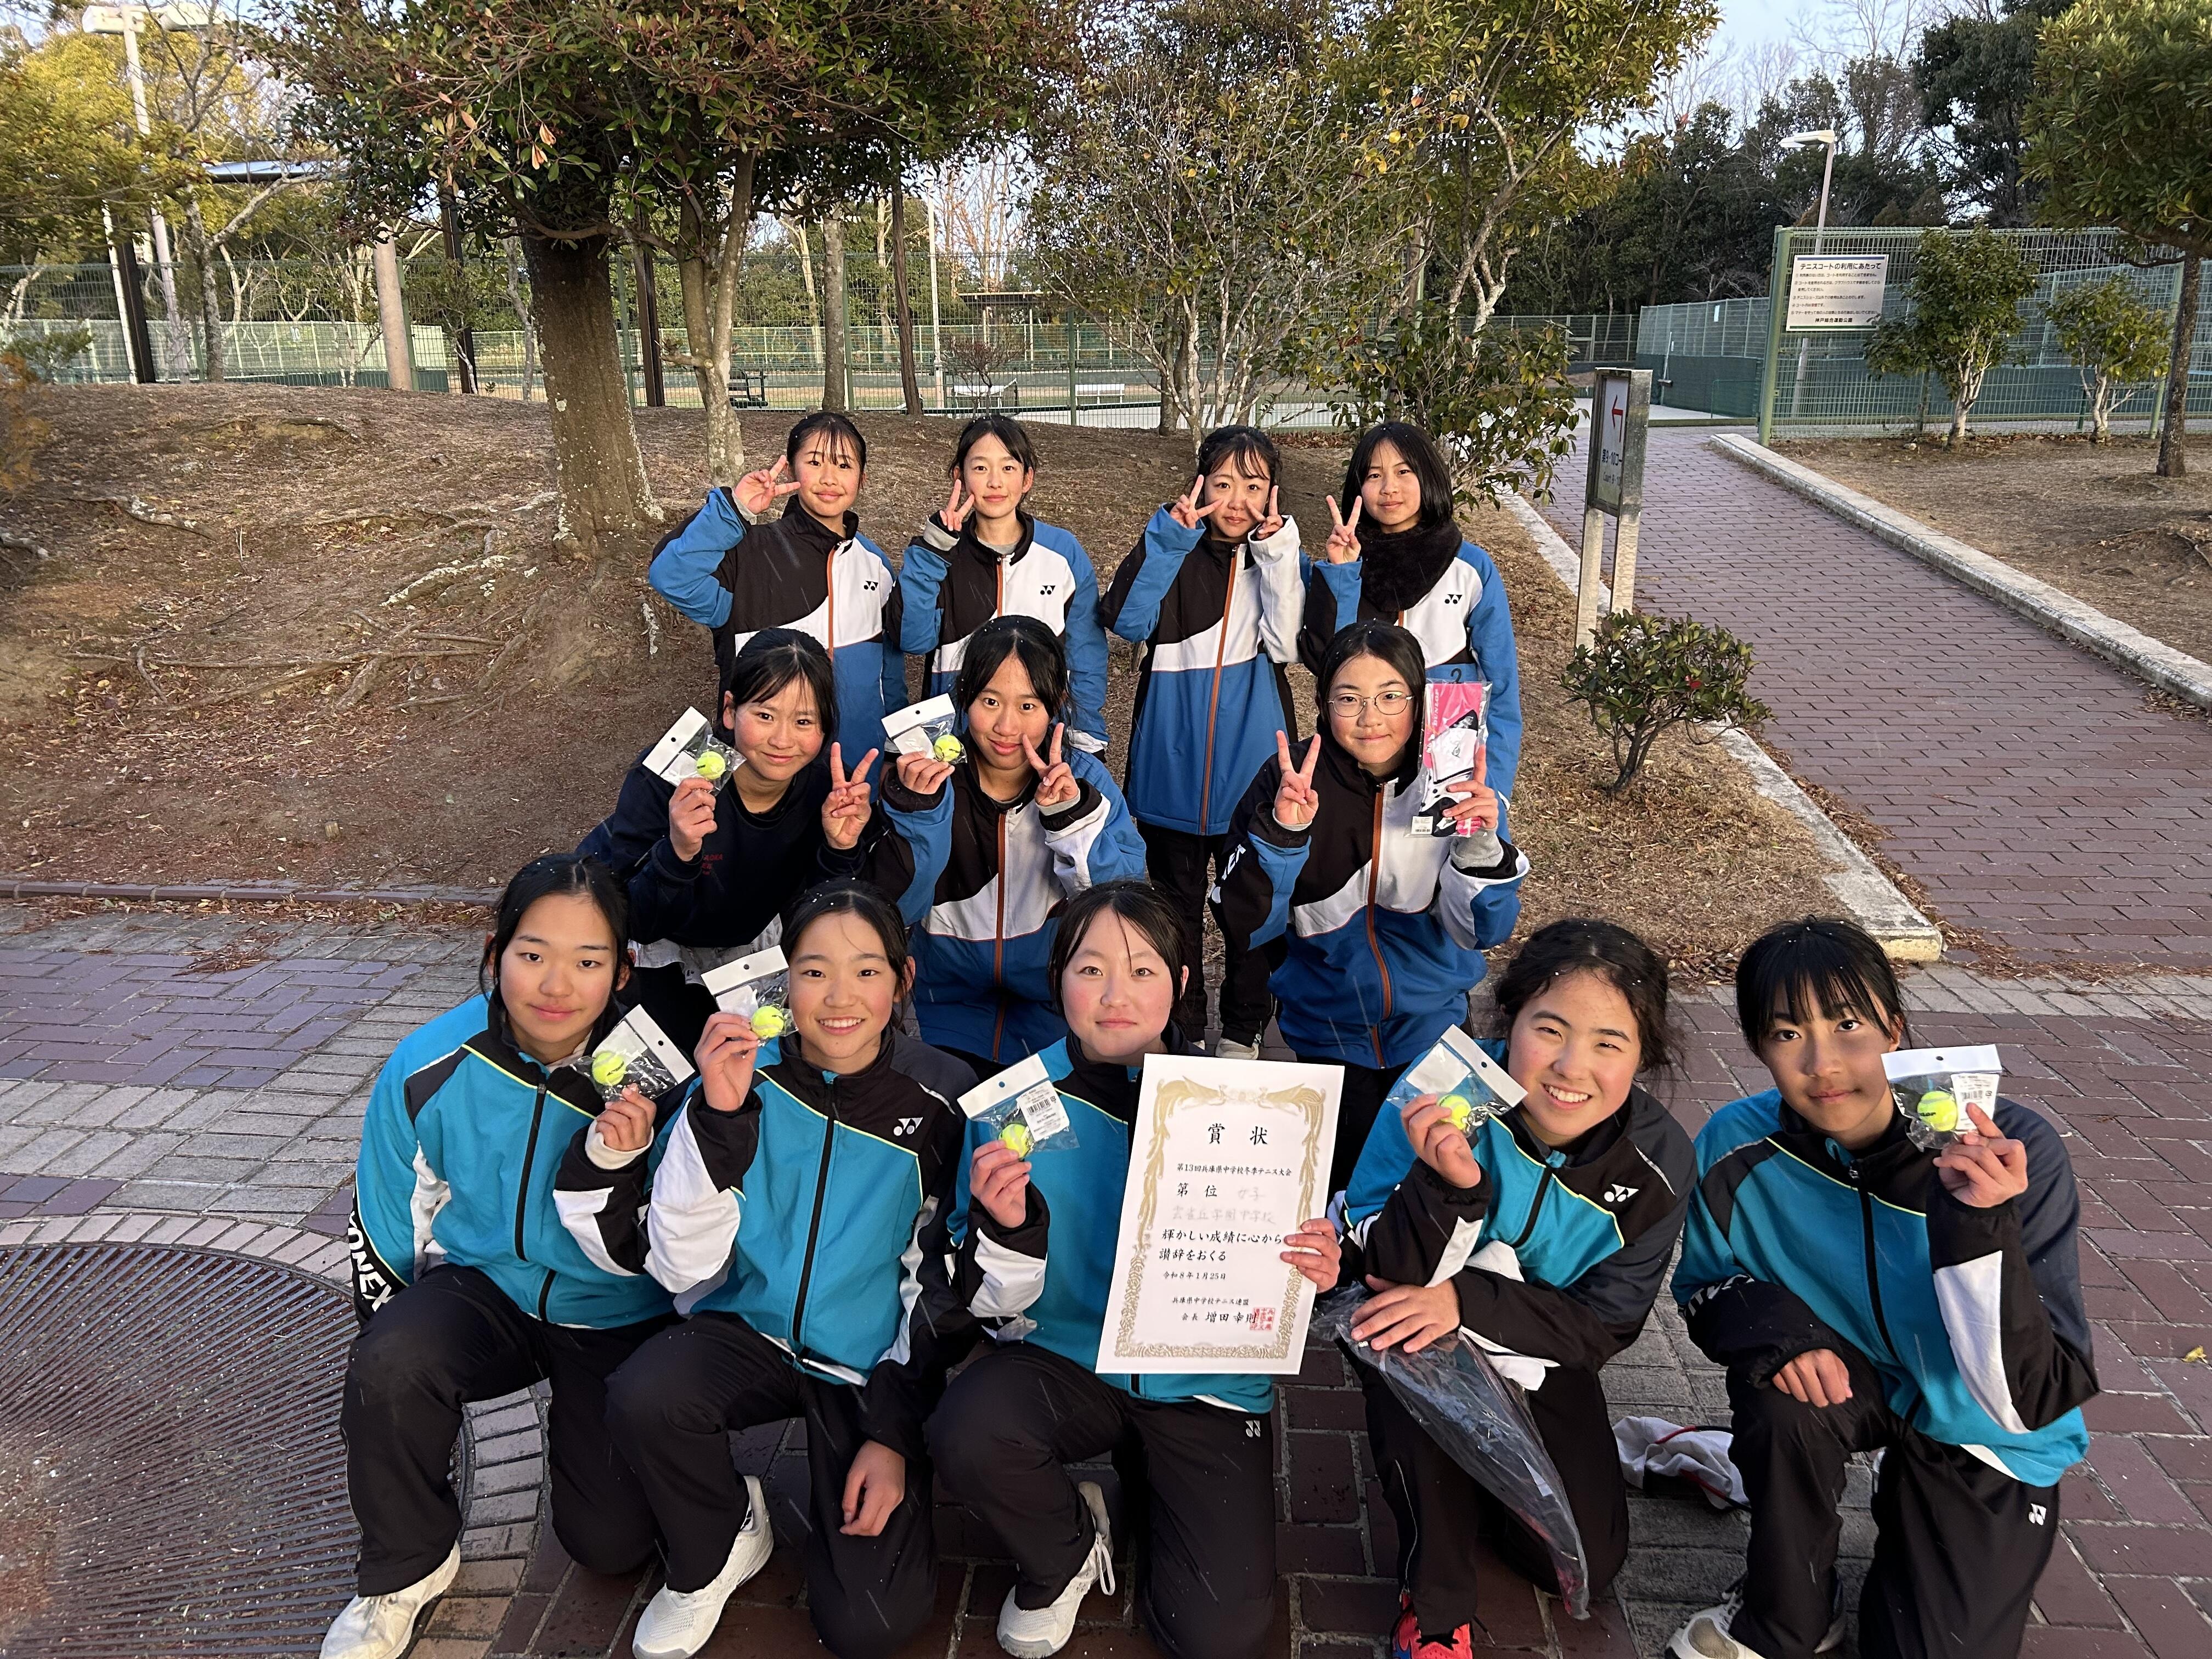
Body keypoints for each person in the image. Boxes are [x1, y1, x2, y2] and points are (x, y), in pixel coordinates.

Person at [557, 882, 975, 1659]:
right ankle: (724, 1537)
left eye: (867, 971)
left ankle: (873, 1485)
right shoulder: (739, 1073)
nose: (839, 997)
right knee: (648, 1395)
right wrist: (719, 1114)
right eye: (814, 972)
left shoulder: (947, 1100)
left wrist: (892, 1433)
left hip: (866, 1365)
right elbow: (679, 1261)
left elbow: (944, 1288)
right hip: (743, 1329)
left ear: (902, 980)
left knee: (870, 1625)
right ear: (784, 981)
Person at [927, 880, 1341, 1659]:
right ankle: (1065, 1550)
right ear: (1058, 979)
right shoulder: (1010, 1110)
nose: (1116, 995)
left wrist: (1312, 1271)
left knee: (1216, 1635)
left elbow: (1283, 1258)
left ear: (1180, 983)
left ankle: (1148, 1483)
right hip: (1067, 1361)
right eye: (1090, 970)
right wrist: (1008, 1230)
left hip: (1203, 1382)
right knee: (971, 1431)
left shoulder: (1248, 1107)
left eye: (1143, 970)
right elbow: (982, 1305)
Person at [1668, 917, 2098, 1659]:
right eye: (1787, 1033)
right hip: (1848, 1385)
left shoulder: (2011, 1151)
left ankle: (1913, 1491)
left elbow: (2029, 1399)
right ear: (1759, 1050)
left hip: (1984, 1423)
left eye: (1848, 1025)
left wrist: (1980, 1224)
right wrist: (1785, 1334)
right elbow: (1707, 1284)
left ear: (1894, 1030)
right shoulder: (1736, 1147)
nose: (1824, 1063)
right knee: (1779, 1396)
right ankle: (1789, 1615)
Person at [323, 855, 681, 1659]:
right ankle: (406, 1568)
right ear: (496, 953)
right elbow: (385, 1214)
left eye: (587, 961)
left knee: (610, 1546)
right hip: (488, 1289)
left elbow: (682, 1239)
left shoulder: (658, 1082)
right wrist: (390, 1368)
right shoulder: (431, 1062)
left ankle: (694, 1484)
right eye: (533, 954)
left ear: (622, 970)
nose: (557, 985)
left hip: (614, 1311)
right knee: (392, 1360)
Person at [1335, 920, 1694, 1659]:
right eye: (1549, 1029)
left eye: (1609, 1043)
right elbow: (1374, 1258)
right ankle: (1435, 1609)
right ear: (1511, 1022)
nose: (1571, 1066)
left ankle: (1479, 1473)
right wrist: (1449, 1187)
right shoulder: (1443, 1091)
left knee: (1581, 1561)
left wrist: (1467, 1301)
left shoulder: (1658, 1162)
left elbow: (1607, 1324)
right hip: (1413, 1316)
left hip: (1537, 1342)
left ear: (1645, 1054)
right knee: (1408, 1349)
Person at [1215, 619, 1527, 1189]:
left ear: (1419, 701)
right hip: (1325, 1033)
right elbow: (1246, 923)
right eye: (1349, 698)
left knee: (1429, 1193)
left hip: (1435, 1032)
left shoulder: (1452, 779)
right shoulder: (1290, 781)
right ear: (1322, 704)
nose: (1370, 718)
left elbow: (1482, 932)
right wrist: (1284, 835)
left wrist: (1481, 846)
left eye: (1390, 697)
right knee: (1338, 1194)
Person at [576, 629, 882, 1054]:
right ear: (730, 710)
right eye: (765, 715)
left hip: (751, 945)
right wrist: (679, 851)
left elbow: (822, 920)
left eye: (804, 722)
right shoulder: (673, 775)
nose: (782, 740)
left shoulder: (830, 791)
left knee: (763, 1064)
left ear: (826, 727)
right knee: (662, 1068)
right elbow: (638, 922)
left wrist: (840, 848)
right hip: (653, 946)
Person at [1099, 425, 1303, 1059]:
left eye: (1254, 486)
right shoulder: (1175, 551)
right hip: (1170, 776)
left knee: (1252, 915)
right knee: (1175, 919)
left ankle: (1243, 1032)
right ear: (1199, 485)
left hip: (1254, 780)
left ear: (1273, 494)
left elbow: (1289, 643)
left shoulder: (1279, 561)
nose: (1237, 500)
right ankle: (1183, 1032)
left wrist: (1278, 555)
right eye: (1223, 483)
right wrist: (1169, 538)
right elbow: (1125, 620)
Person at [870, 614, 1146, 1077]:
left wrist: (1071, 821)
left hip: (1058, 1006)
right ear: (965, 697)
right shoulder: (930, 780)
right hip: (948, 1006)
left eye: (1028, 705)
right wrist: (919, 816)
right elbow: (895, 908)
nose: (1006, 726)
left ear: (1056, 704)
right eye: (990, 701)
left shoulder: (1085, 782)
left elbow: (1122, 912)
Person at [1297, 421, 1523, 822]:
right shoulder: (1344, 565)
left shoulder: (1471, 568)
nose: (1389, 487)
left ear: (1428, 477)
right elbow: (1325, 663)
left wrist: (1495, 791)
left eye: (1404, 471)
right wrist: (1342, 575)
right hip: (1360, 769)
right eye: (1374, 475)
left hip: (1447, 777)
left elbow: (1502, 691)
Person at [647, 411, 904, 760]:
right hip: (767, 770)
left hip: (858, 769)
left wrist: (893, 753)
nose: (829, 478)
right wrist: (735, 511)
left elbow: (889, 673)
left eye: (844, 465)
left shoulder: (875, 563)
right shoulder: (748, 554)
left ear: (862, 479)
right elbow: (672, 577)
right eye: (815, 462)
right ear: (792, 471)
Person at [898, 413, 1111, 754]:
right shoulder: (939, 556)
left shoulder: (1063, 552)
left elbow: (1086, 652)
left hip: (1041, 738)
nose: (995, 482)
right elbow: (914, 640)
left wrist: (1084, 733)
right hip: (957, 741)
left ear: (1027, 478)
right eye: (981, 468)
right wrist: (931, 553)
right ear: (959, 476)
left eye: (1008, 468)